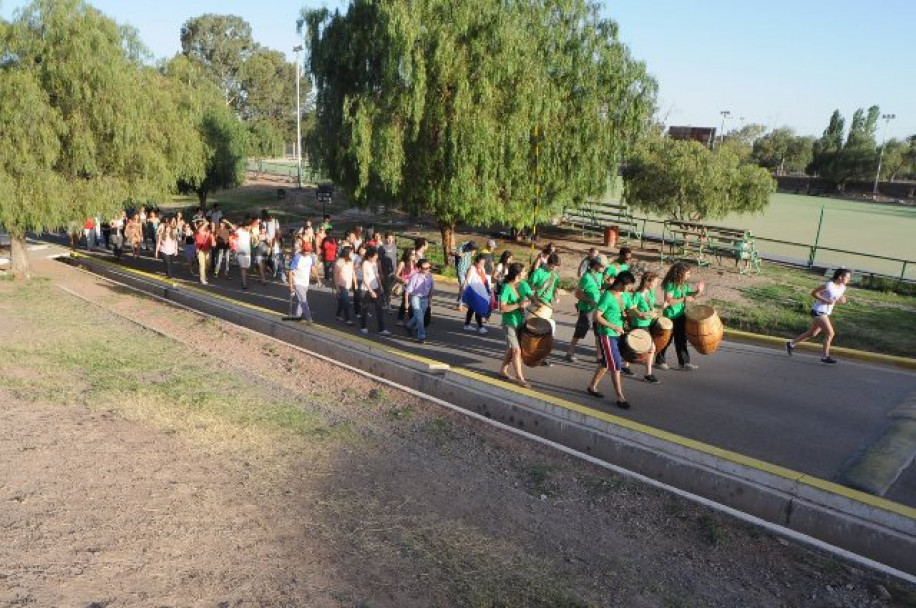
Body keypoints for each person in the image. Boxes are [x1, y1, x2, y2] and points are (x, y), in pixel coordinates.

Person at [586, 271, 637, 409]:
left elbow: (631, 309)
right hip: (607, 334)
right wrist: (613, 326)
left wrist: (643, 314)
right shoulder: (607, 296)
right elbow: (597, 317)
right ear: (621, 283)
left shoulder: (625, 295)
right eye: (629, 285)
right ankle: (620, 397)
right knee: (616, 365)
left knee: (606, 363)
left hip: (619, 334)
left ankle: (592, 386)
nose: (630, 288)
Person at [786, 268, 851, 364]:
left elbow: (838, 298)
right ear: (840, 277)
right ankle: (825, 356)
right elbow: (814, 293)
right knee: (830, 333)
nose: (849, 280)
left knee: (812, 333)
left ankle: (791, 344)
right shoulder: (829, 285)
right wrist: (825, 300)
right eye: (847, 278)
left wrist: (843, 300)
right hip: (818, 311)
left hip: (826, 312)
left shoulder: (842, 287)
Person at [655, 262, 705, 371]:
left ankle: (684, 363)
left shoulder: (683, 285)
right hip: (670, 316)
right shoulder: (671, 284)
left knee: (681, 340)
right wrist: (684, 299)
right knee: (666, 340)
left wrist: (697, 292)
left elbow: (689, 296)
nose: (689, 276)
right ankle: (659, 361)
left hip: (681, 315)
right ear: (680, 273)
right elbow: (668, 301)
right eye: (687, 273)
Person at [565, 255, 607, 362]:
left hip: (597, 308)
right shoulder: (586, 277)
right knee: (580, 330)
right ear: (596, 265)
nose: (604, 268)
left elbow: (600, 287)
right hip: (586, 308)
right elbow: (578, 294)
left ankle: (599, 356)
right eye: (603, 266)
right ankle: (570, 352)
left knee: (598, 332)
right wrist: (589, 300)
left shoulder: (600, 275)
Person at [498, 262, 533, 388]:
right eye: (523, 271)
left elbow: (531, 298)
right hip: (509, 323)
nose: (525, 273)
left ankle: (503, 370)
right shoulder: (506, 288)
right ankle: (520, 378)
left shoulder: (523, 285)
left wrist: (530, 301)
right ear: (518, 274)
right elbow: (501, 308)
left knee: (512, 349)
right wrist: (519, 305)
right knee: (516, 350)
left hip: (520, 322)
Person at [627, 271, 661, 384]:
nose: (656, 284)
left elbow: (651, 306)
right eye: (655, 282)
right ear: (647, 282)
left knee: (633, 348)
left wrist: (655, 311)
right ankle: (648, 374)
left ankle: (624, 364)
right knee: (652, 348)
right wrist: (642, 314)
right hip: (639, 324)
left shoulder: (651, 293)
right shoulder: (637, 294)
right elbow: (632, 309)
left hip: (648, 323)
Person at [359, 247, 390, 335]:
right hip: (366, 289)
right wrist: (371, 291)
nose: (376, 257)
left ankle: (382, 329)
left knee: (379, 308)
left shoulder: (375, 263)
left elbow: (377, 275)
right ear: (370, 256)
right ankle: (363, 326)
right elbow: (365, 278)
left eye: (377, 256)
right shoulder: (365, 263)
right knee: (365, 308)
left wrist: (380, 286)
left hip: (376, 287)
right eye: (375, 256)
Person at [461, 253, 492, 334]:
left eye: (483, 263)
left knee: (472, 308)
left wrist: (488, 290)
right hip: (473, 291)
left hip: (480, 292)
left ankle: (467, 325)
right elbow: (467, 280)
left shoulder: (482, 269)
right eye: (481, 263)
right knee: (478, 308)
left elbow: (484, 280)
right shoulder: (472, 268)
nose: (482, 265)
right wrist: (463, 289)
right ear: (476, 262)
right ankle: (480, 327)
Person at [404, 258, 434, 343]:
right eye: (425, 268)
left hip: (425, 298)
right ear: (419, 268)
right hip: (416, 297)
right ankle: (421, 336)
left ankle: (409, 325)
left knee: (418, 316)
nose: (428, 269)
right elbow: (407, 291)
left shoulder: (430, 276)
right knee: (420, 318)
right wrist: (406, 303)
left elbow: (431, 289)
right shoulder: (414, 277)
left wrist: (430, 301)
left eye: (429, 267)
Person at [287, 242, 318, 323]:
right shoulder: (297, 257)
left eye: (308, 251)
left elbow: (313, 268)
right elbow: (290, 272)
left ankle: (296, 316)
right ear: (302, 249)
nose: (307, 252)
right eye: (305, 250)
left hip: (305, 282)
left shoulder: (311, 257)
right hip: (297, 282)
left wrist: (318, 278)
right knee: (304, 301)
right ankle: (309, 319)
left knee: (301, 301)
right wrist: (290, 285)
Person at [395, 248, 417, 324]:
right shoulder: (402, 263)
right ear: (408, 255)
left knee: (406, 302)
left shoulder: (415, 263)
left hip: (414, 285)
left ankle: (400, 319)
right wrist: (403, 279)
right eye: (413, 254)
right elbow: (396, 275)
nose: (414, 256)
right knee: (408, 302)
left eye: (415, 254)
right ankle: (411, 319)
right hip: (405, 285)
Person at [195, 221, 216, 285]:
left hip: (207, 250)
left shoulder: (208, 232)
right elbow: (200, 229)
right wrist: (205, 223)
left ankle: (204, 275)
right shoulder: (198, 232)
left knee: (208, 264)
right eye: (202, 225)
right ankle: (202, 279)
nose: (205, 226)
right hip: (200, 250)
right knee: (202, 265)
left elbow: (213, 242)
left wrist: (213, 243)